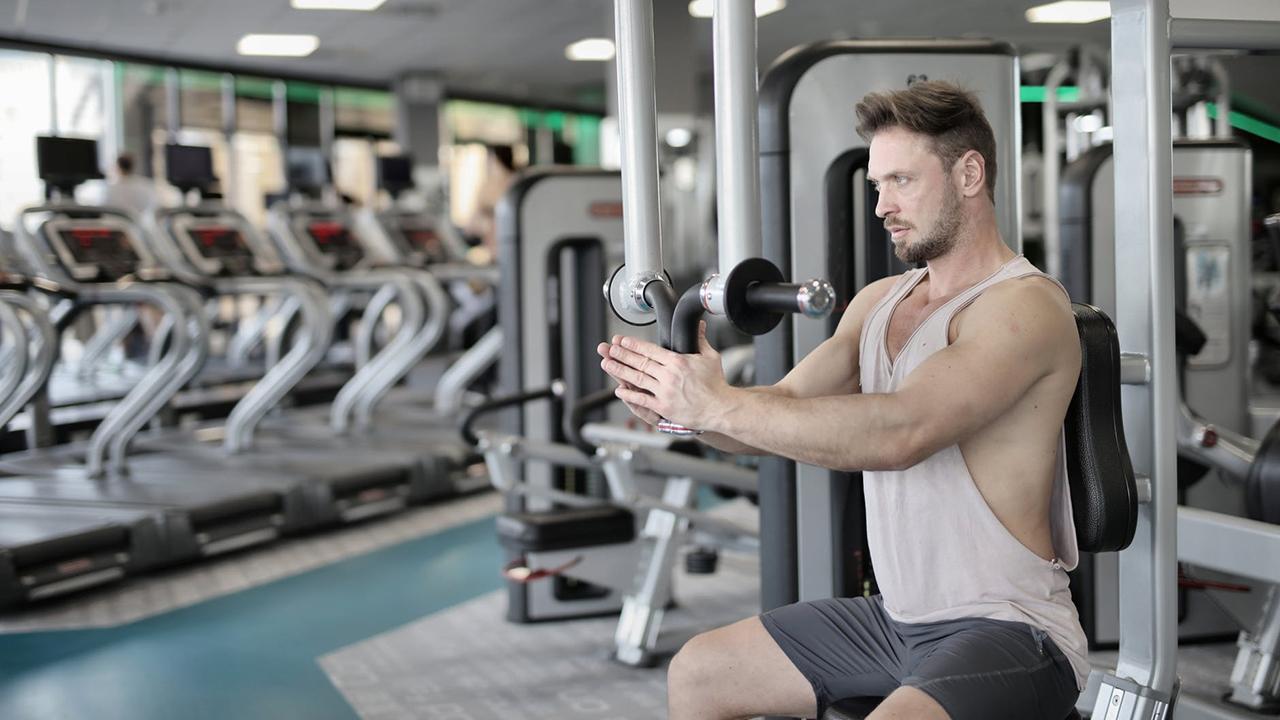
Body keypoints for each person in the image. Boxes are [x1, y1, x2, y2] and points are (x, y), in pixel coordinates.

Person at [597, 81, 1086, 720]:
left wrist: (714, 405)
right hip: (895, 621)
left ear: (969, 174)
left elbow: (902, 432)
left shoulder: (1023, 306)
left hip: (1011, 628)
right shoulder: (878, 302)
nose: (882, 206)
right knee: (700, 672)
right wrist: (683, 410)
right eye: (877, 185)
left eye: (901, 181)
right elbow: (776, 411)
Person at [103, 153, 160, 219]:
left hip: (117, 223)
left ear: (118, 167)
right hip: (138, 223)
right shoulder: (145, 186)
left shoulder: (110, 189)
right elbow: (152, 207)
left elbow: (107, 210)